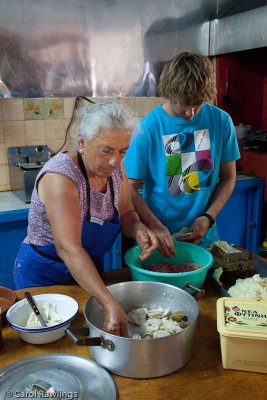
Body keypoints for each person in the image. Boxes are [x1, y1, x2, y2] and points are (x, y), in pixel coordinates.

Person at [14, 100, 158, 336]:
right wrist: (109, 302)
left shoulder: (114, 169)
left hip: (88, 270)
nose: (115, 160)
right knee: (50, 338)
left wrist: (139, 229)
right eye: (106, 150)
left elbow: (127, 214)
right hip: (45, 275)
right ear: (82, 143)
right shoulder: (61, 177)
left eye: (123, 151)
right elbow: (68, 248)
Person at [124, 50, 240, 257]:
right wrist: (156, 226)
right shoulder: (148, 127)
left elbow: (229, 176)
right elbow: (129, 187)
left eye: (197, 104)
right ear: (169, 92)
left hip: (205, 238)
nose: (191, 113)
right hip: (159, 240)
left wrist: (208, 217)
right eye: (183, 105)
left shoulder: (221, 121)